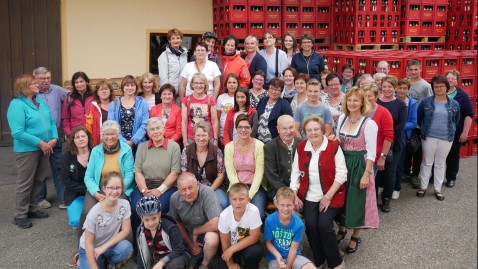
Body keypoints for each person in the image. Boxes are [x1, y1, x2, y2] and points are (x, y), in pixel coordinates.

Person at [290, 116, 347, 269]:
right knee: (310, 225)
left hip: (332, 195)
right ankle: (319, 259)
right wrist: (294, 194)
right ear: (304, 132)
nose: (313, 133)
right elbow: (295, 172)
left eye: (316, 129)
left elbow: (342, 174)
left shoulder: (333, 146)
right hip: (309, 196)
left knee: (323, 225)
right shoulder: (301, 147)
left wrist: (328, 196)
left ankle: (335, 262)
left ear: (322, 130)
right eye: (309, 130)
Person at [7, 74, 58, 229]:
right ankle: (20, 215)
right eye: (34, 83)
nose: (38, 85)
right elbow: (17, 132)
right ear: (24, 87)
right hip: (27, 150)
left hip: (45, 148)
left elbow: (50, 121)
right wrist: (40, 142)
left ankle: (32, 209)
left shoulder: (39, 101)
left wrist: (54, 137)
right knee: (25, 182)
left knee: (38, 180)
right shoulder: (16, 105)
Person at [336, 87, 379, 254]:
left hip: (360, 165)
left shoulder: (369, 123)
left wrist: (366, 175)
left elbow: (371, 152)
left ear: (362, 103)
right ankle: (342, 229)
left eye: (356, 100)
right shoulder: (341, 118)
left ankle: (355, 235)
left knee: (358, 201)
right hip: (342, 163)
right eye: (349, 100)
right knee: (343, 199)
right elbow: (338, 142)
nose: (352, 103)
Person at [79, 120, 134, 243]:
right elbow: (88, 177)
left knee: (122, 213)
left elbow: (130, 175)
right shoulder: (96, 151)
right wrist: (96, 193)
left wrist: (117, 190)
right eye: (106, 134)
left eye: (113, 134)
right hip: (99, 189)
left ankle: (125, 246)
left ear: (118, 134)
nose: (110, 137)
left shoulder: (126, 150)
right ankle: (82, 247)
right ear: (102, 136)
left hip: (119, 189)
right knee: (87, 211)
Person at [131, 117, 181, 253]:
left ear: (164, 129)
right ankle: (139, 249)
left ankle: (160, 247)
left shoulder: (174, 147)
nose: (156, 131)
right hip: (144, 186)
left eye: (158, 128)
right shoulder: (142, 147)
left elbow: (175, 172)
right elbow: (138, 172)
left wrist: (160, 190)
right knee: (137, 210)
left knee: (156, 209)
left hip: (165, 187)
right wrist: (144, 190)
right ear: (148, 133)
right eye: (152, 129)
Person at [416, 75, 460, 201]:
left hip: (446, 138)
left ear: (447, 87)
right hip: (429, 137)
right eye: (436, 86)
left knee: (440, 163)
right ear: (433, 87)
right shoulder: (426, 102)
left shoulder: (454, 104)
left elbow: (455, 120)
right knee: (427, 162)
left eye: (441, 86)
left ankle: (437, 188)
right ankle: (423, 187)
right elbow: (420, 119)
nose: (439, 88)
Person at [78, 172, 133, 269]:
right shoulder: (94, 213)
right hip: (90, 248)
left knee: (126, 248)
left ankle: (109, 262)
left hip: (108, 245)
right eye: (111, 188)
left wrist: (103, 247)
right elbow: (88, 243)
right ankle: (81, 259)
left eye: (118, 188)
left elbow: (125, 231)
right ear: (104, 188)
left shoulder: (125, 204)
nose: (115, 191)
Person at [169, 172, 222, 269]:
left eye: (190, 187)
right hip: (187, 232)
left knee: (212, 239)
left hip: (207, 231)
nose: (188, 192)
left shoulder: (208, 193)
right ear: (178, 189)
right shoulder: (174, 198)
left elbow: (216, 223)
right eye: (183, 189)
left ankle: (204, 265)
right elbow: (177, 222)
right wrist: (190, 243)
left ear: (197, 185)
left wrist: (196, 232)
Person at [34, 67, 68, 210]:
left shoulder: (57, 90)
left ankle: (63, 198)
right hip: (38, 139)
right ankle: (40, 198)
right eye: (42, 78)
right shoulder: (32, 93)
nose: (46, 81)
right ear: (35, 78)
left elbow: (72, 97)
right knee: (40, 168)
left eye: (48, 78)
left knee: (59, 167)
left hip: (56, 136)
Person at [225, 114, 267, 221]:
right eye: (240, 127)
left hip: (255, 187)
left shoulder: (259, 145)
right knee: (234, 214)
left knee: (258, 214)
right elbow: (230, 172)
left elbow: (259, 173)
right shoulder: (229, 147)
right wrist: (240, 191)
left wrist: (249, 195)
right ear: (236, 128)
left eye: (247, 127)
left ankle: (256, 236)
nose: (243, 130)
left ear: (252, 129)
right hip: (236, 186)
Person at [62, 126, 94, 266]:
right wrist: (87, 189)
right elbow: (66, 181)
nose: (80, 139)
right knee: (76, 221)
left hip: (94, 193)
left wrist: (93, 190)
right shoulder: (67, 157)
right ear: (73, 140)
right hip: (76, 194)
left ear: (88, 138)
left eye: (83, 136)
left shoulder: (96, 153)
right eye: (77, 137)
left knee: (94, 219)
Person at [264, 187, 316, 269]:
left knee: (310, 267)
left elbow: (293, 249)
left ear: (294, 205)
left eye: (289, 205)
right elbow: (268, 243)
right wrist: (277, 256)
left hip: (294, 256)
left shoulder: (298, 224)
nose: (285, 209)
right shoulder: (270, 220)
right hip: (275, 258)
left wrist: (288, 266)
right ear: (277, 204)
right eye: (282, 205)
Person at [376, 76, 407, 212]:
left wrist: (386, 135)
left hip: (394, 144)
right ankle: (374, 196)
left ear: (394, 88)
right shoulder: (376, 101)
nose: (387, 89)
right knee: (376, 171)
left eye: (390, 86)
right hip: (376, 142)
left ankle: (386, 198)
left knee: (390, 172)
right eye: (385, 86)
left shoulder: (400, 104)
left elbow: (401, 125)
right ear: (381, 87)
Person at [181, 122, 228, 209]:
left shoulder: (216, 151)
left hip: (213, 186)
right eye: (198, 135)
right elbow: (184, 175)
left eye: (204, 135)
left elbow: (220, 176)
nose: (201, 138)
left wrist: (209, 191)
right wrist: (194, 190)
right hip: (192, 187)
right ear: (194, 136)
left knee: (223, 202)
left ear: (209, 136)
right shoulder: (186, 151)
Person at [135, 196, 190, 269]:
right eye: (147, 220)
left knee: (173, 266)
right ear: (141, 218)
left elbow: (179, 249)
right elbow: (140, 254)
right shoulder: (140, 231)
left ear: (159, 214)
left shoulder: (170, 227)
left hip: (177, 256)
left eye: (154, 218)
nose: (151, 223)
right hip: (158, 258)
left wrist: (162, 262)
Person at [217, 183, 262, 269]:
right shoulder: (224, 216)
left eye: (241, 199)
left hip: (247, 244)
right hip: (229, 245)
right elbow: (225, 243)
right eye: (234, 199)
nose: (238, 203)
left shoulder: (254, 211)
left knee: (255, 252)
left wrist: (232, 250)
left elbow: (254, 237)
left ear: (248, 199)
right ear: (230, 200)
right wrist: (230, 264)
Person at [404, 59, 434, 189]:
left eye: (416, 69)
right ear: (407, 70)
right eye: (411, 69)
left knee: (417, 149)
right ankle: (405, 172)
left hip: (418, 123)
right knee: (406, 149)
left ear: (420, 69)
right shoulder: (405, 83)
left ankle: (415, 174)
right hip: (406, 121)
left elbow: (429, 104)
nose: (413, 72)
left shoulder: (425, 86)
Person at [445, 70, 474, 188]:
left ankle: (451, 177)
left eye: (453, 78)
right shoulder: (438, 91)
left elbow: (469, 114)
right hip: (438, 131)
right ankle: (433, 176)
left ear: (457, 81)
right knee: (437, 155)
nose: (450, 80)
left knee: (453, 155)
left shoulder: (462, 95)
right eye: (448, 78)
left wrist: (465, 132)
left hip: (455, 132)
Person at [108, 75, 149, 152]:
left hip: (139, 143)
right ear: (123, 87)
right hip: (118, 143)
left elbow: (145, 124)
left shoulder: (142, 102)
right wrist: (123, 141)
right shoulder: (114, 103)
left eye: (132, 85)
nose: (130, 88)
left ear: (136, 87)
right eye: (127, 85)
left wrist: (133, 140)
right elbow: (111, 124)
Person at [264, 115, 300, 201]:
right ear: (278, 129)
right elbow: (272, 177)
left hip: (300, 190)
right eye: (284, 128)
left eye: (291, 127)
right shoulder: (270, 147)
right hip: (279, 190)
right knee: (289, 206)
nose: (288, 131)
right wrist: (290, 194)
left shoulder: (302, 144)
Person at [394, 79, 417, 200]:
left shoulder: (411, 103)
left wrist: (399, 127)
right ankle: (387, 186)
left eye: (404, 88)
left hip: (402, 137)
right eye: (399, 87)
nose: (401, 90)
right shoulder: (390, 99)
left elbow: (413, 123)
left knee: (398, 164)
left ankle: (396, 187)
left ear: (408, 90)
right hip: (389, 136)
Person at [181, 73, 219, 147]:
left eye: (201, 83)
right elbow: (184, 122)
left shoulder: (210, 100)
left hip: (207, 137)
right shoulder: (186, 100)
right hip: (191, 138)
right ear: (192, 85)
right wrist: (185, 141)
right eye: (196, 83)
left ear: (205, 85)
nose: (199, 85)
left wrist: (215, 140)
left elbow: (215, 121)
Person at [256, 78, 293, 143]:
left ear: (281, 91)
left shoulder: (285, 106)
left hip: (275, 142)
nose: (273, 92)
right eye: (271, 88)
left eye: (277, 90)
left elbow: (288, 126)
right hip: (259, 141)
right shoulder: (263, 100)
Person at [158, 28, 188, 103]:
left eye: (178, 38)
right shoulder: (164, 55)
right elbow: (163, 76)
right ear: (169, 40)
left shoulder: (184, 54)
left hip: (182, 91)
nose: (176, 40)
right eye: (173, 38)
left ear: (181, 40)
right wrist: (168, 92)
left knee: (180, 112)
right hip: (170, 92)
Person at [62, 72, 93, 138]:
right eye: (76, 82)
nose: (79, 84)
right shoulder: (69, 97)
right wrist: (69, 133)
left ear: (86, 82)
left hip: (92, 133)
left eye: (81, 81)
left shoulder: (94, 96)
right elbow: (65, 118)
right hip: (75, 134)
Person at [85, 80, 115, 145]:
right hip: (98, 142)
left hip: (114, 140)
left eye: (106, 89)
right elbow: (88, 127)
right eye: (101, 90)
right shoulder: (92, 106)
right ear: (97, 93)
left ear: (110, 91)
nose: (104, 91)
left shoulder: (116, 105)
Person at [217, 73, 239, 147]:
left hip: (238, 135)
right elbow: (218, 118)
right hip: (223, 134)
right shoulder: (221, 97)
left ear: (238, 84)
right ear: (226, 84)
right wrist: (219, 136)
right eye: (229, 82)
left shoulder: (240, 97)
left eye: (234, 82)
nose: (231, 85)